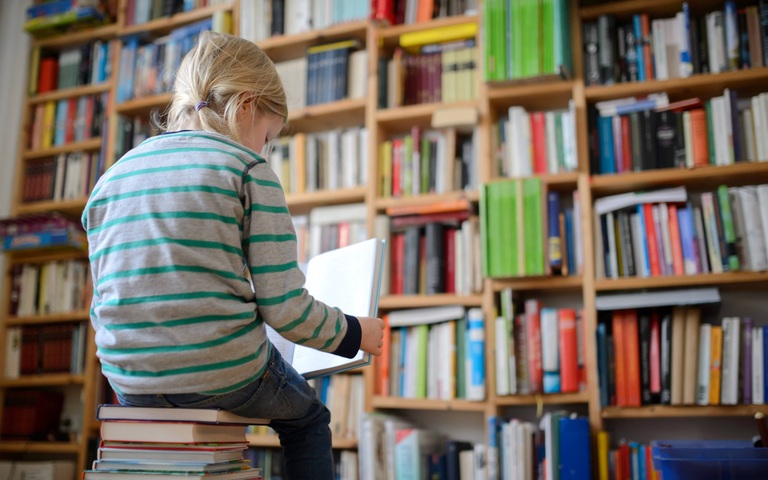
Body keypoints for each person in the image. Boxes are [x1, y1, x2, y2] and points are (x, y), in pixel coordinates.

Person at [82, 31, 385, 479]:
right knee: (308, 419)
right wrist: (356, 334)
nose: (263, 149)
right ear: (245, 105)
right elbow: (285, 310)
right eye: (267, 136)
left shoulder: (111, 178)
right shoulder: (246, 169)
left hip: (128, 381)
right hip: (221, 374)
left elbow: (108, 299)